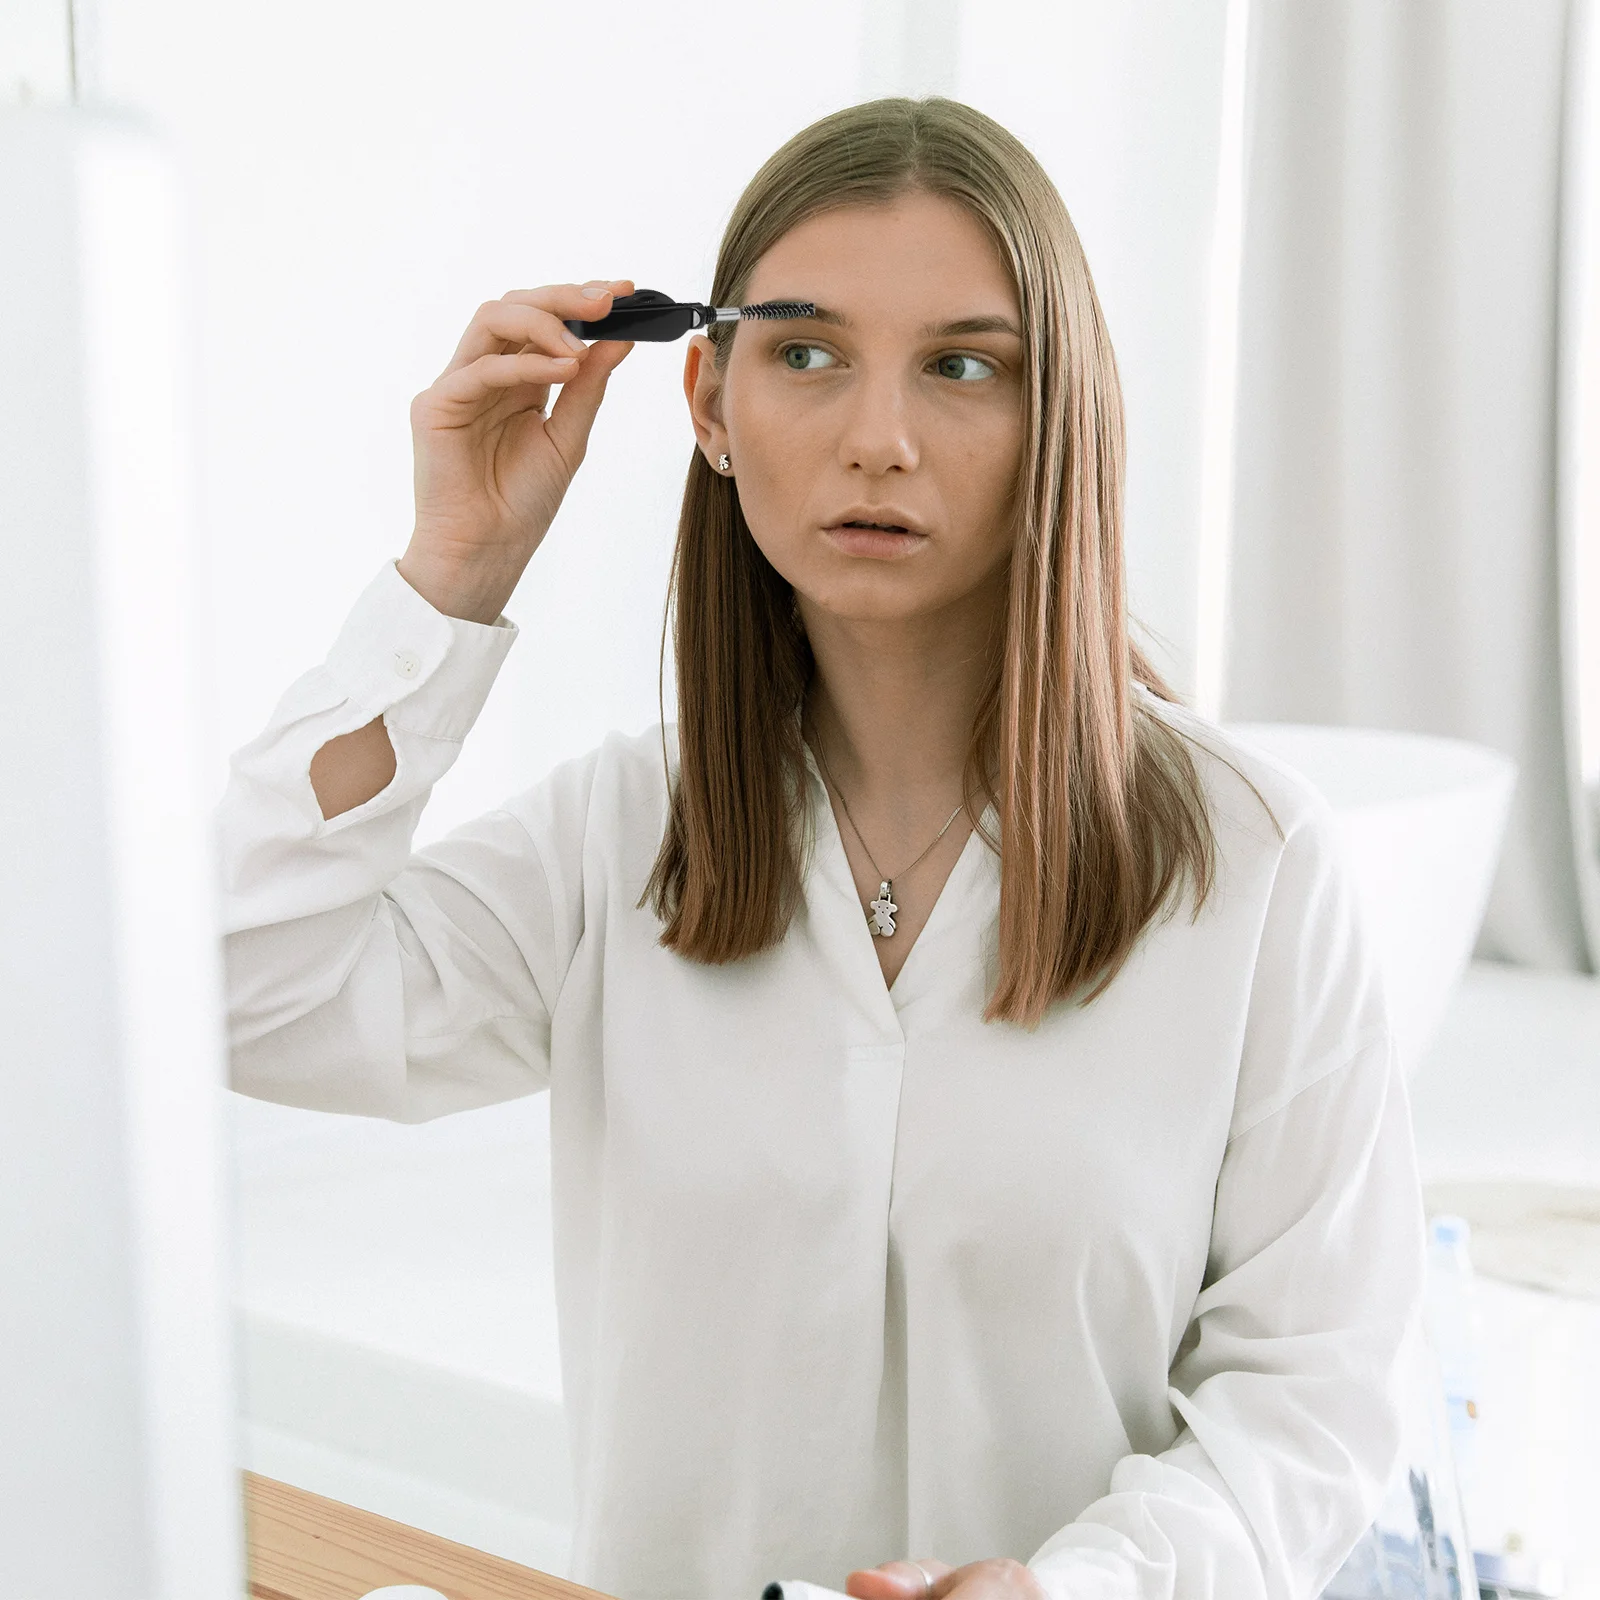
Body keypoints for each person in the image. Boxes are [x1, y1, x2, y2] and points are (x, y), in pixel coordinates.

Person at [220, 97, 1426, 1600]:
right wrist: (452, 574)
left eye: (963, 367)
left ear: (1061, 416)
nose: (879, 440)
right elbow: (238, 989)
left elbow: (1316, 1394)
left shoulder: (1254, 862)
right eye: (806, 353)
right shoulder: (619, 840)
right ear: (712, 409)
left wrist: (1080, 1589)